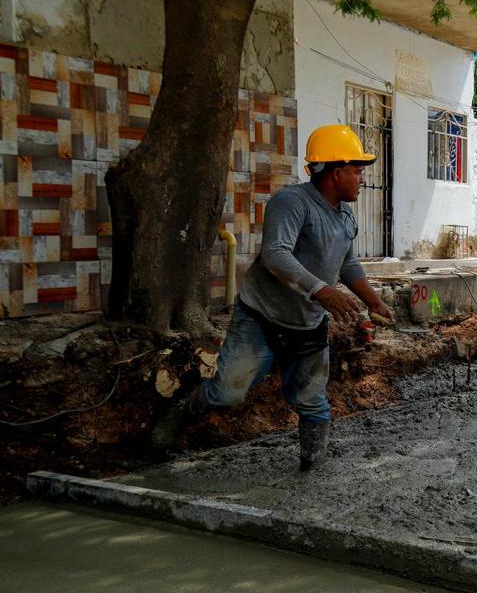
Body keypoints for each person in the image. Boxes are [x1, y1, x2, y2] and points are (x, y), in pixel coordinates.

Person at [151, 124, 395, 470]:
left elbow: (348, 263)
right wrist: (322, 291)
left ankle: (311, 473)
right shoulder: (292, 203)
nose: (361, 179)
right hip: (261, 317)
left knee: (312, 402)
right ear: (336, 172)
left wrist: (372, 300)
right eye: (357, 172)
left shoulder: (344, 215)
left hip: (308, 323)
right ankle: (181, 412)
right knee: (228, 393)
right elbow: (276, 254)